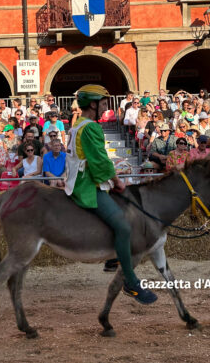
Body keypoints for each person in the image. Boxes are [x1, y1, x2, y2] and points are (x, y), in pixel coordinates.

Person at [65, 84, 157, 305]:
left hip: (76, 180)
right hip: (86, 186)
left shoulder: (78, 125)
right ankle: (130, 283)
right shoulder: (91, 128)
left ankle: (113, 259)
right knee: (124, 226)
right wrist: (117, 181)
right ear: (93, 105)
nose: (107, 108)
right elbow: (99, 162)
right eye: (104, 104)